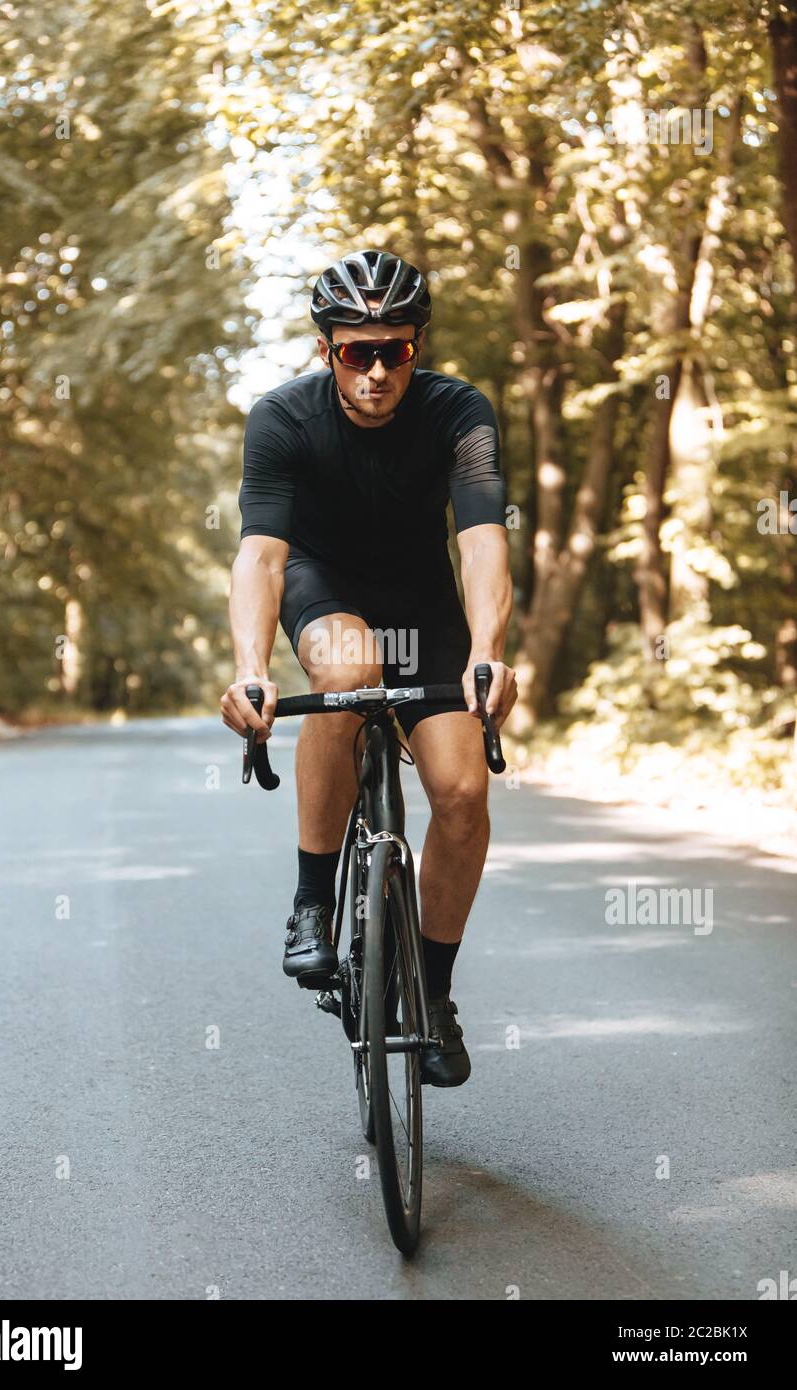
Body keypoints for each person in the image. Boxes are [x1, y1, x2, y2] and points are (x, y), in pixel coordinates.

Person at [222, 250, 517, 1086]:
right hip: (325, 587)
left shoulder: (460, 413)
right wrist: (251, 668)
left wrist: (490, 650)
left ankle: (433, 992)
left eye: (396, 349)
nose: (378, 369)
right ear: (328, 352)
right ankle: (313, 900)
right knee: (349, 671)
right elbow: (261, 558)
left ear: (418, 346)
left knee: (462, 793)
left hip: (423, 604)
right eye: (358, 351)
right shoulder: (282, 418)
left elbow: (483, 539)